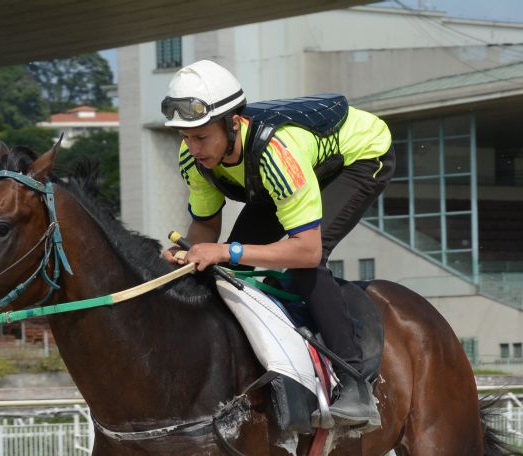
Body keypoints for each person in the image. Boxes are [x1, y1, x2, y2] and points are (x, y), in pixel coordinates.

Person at [161, 59, 396, 427]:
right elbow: (205, 224)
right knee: (226, 269)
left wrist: (225, 249)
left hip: (359, 157)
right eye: (185, 137)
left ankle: (355, 384)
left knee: (304, 265)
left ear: (232, 124)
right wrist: (191, 254)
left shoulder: (275, 154)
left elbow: (307, 250)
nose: (193, 148)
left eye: (202, 137)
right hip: (289, 171)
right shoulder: (193, 158)